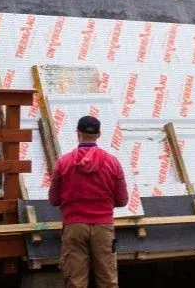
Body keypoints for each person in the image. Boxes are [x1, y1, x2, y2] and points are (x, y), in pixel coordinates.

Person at [49, 116, 128, 288]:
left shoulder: (63, 162)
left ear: (78, 133)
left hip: (74, 227)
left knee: (75, 281)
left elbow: (53, 200)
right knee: (108, 280)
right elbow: (122, 200)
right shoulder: (113, 162)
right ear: (99, 135)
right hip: (103, 227)